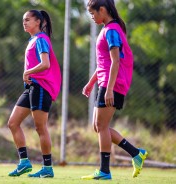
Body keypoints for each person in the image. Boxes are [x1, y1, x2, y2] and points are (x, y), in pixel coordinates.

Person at [81, 0, 148, 180]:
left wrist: (109, 89)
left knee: (101, 126)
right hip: (106, 82)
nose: (92, 17)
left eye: (93, 13)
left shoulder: (111, 30)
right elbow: (104, 64)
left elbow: (116, 61)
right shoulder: (108, 29)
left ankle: (104, 171)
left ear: (102, 9)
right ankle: (136, 153)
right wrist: (91, 83)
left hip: (113, 84)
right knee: (98, 126)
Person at [7, 10, 61, 178]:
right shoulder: (32, 40)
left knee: (40, 127)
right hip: (31, 87)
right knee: (13, 123)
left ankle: (47, 167)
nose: (24, 22)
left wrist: (27, 72)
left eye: (28, 19)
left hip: (41, 87)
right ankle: (24, 163)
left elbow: (45, 64)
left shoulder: (41, 39)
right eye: (23, 20)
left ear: (38, 21)